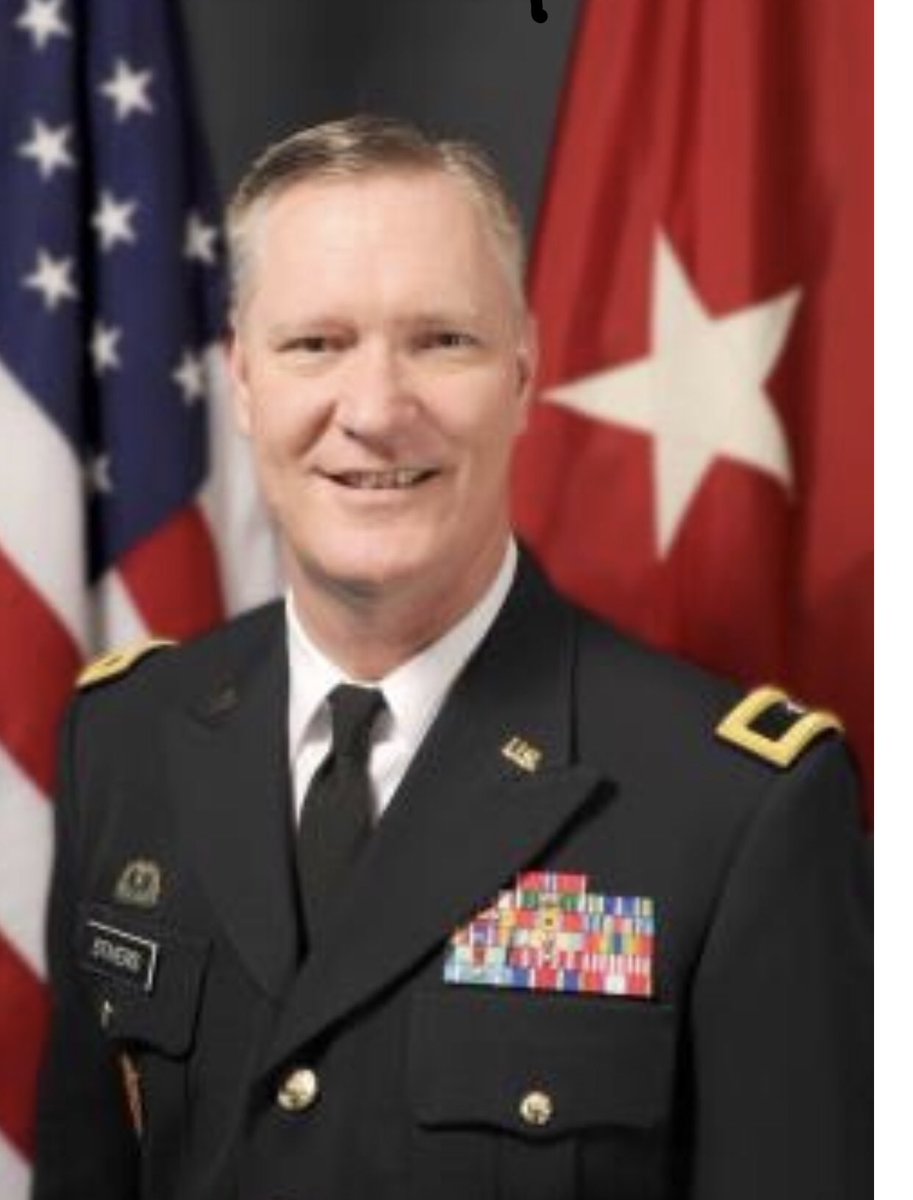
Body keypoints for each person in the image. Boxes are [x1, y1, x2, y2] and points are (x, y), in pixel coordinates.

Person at [34, 115, 871, 1200]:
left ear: (522, 371)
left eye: (440, 340)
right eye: (315, 344)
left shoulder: (737, 812)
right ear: (240, 378)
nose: (376, 411)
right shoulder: (125, 741)